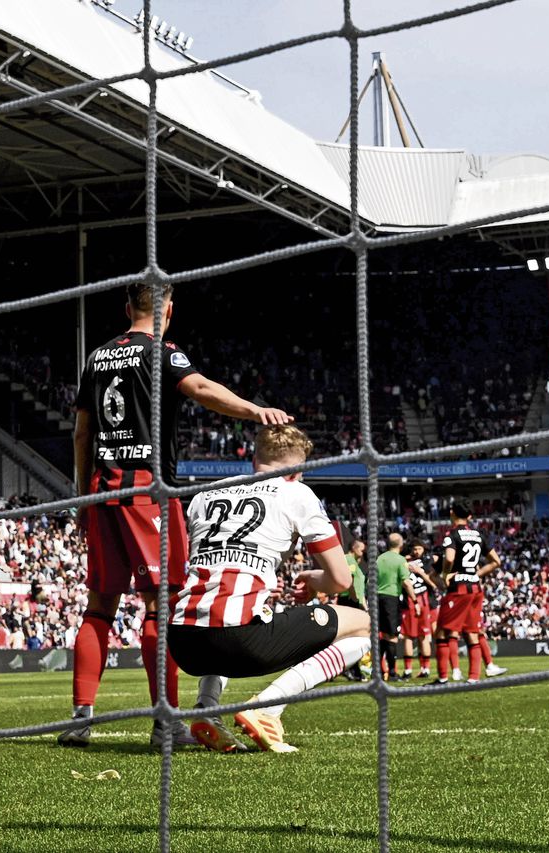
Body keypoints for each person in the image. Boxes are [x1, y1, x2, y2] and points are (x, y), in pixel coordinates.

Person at [59, 280, 292, 748]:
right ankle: (165, 723)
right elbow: (201, 388)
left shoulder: (97, 357)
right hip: (148, 490)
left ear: (128, 306)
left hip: (102, 492)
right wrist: (254, 410)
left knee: (99, 606)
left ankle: (80, 720)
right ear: (169, 311)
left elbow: (82, 433)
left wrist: (81, 495)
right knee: (159, 606)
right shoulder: (162, 351)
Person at [168, 424, 371, 753]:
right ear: (297, 470)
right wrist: (313, 580)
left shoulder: (203, 495)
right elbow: (341, 579)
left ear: (255, 459)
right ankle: (266, 709)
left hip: (183, 642)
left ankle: (206, 708)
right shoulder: (295, 493)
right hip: (239, 640)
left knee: (228, 612)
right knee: (363, 625)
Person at [432, 503, 500, 684]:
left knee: (441, 632)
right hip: (476, 588)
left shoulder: (452, 534)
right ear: (469, 516)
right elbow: (496, 561)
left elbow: (449, 558)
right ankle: (473, 677)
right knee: (472, 631)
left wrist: (446, 574)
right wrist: (476, 574)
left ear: (452, 513)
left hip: (459, 588)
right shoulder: (479, 534)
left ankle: (443, 677)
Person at [376, 533, 417, 680]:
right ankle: (392, 672)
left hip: (377, 598)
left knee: (382, 635)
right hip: (391, 598)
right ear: (401, 544)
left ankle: (380, 672)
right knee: (392, 636)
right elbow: (406, 582)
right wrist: (415, 600)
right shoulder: (400, 560)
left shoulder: (379, 558)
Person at [402, 540, 437, 678]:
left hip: (418, 600)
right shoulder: (423, 562)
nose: (417, 551)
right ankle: (412, 669)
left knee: (415, 636)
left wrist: (419, 572)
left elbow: (432, 583)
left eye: (419, 549)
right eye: (415, 549)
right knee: (414, 636)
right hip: (416, 600)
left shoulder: (406, 562)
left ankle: (422, 669)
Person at [336, 537, 367, 681]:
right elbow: (350, 581)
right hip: (349, 600)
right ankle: (352, 669)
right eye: (361, 548)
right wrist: (355, 599)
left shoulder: (354, 562)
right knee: (352, 637)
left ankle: (351, 669)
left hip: (353, 601)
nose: (363, 551)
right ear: (354, 548)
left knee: (352, 637)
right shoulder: (349, 560)